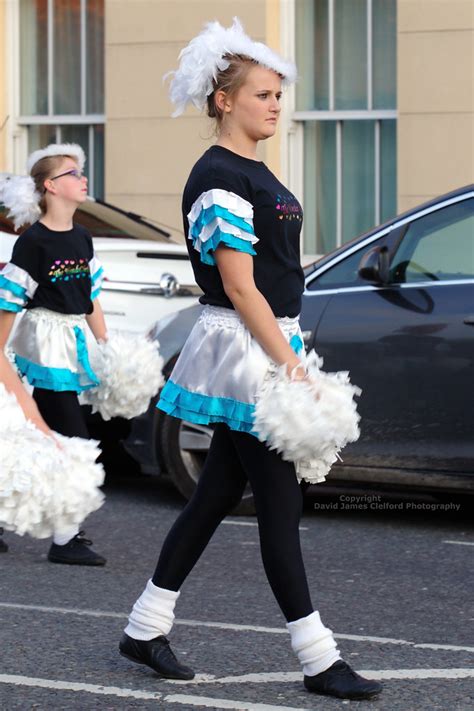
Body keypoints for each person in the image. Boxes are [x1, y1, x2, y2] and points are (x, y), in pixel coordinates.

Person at [119, 19, 382, 701]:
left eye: (277, 94)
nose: (275, 104)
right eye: (262, 94)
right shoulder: (219, 177)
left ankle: (145, 624)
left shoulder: (253, 171)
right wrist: (288, 365)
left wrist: (290, 350)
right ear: (222, 101)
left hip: (264, 340)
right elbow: (239, 286)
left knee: (214, 494)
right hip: (243, 348)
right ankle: (318, 657)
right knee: (277, 500)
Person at [0, 143, 107, 566]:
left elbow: (92, 296)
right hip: (42, 344)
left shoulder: (82, 236)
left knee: (37, 438)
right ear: (50, 186)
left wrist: (108, 347)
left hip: (74, 342)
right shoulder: (33, 244)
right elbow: (8, 307)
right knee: (69, 436)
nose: (83, 179)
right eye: (73, 174)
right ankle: (66, 538)